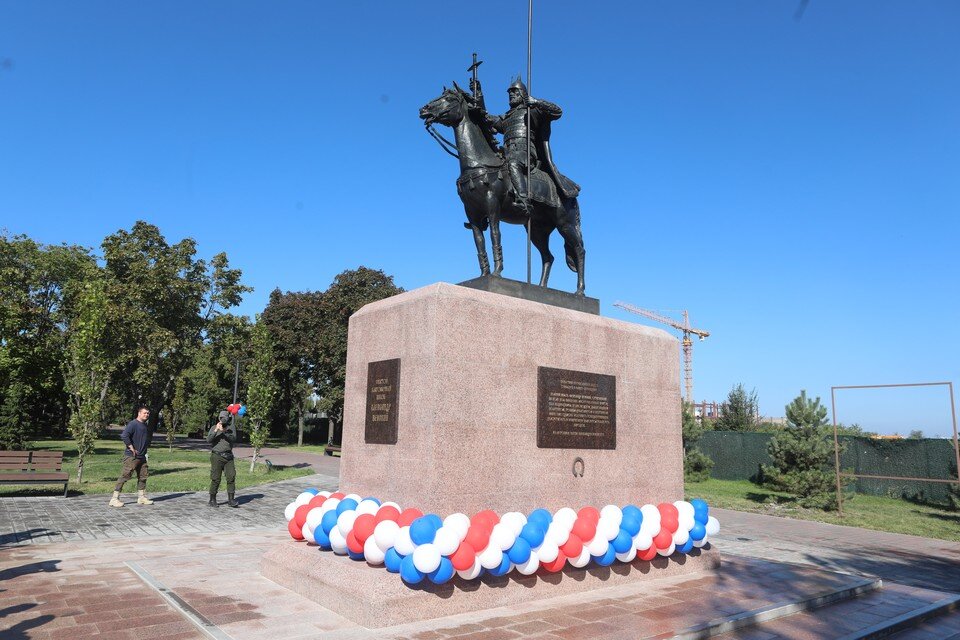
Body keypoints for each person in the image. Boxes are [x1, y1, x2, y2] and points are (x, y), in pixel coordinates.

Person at [471, 76, 580, 211]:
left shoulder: (532, 111)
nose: (511, 94)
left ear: (523, 94)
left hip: (526, 153)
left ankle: (523, 199)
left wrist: (537, 102)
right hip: (507, 152)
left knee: (513, 162)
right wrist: (478, 94)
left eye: (515, 92)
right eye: (510, 92)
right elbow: (486, 119)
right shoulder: (506, 118)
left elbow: (557, 111)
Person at [109, 406, 154, 507]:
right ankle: (114, 499)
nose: (146, 415)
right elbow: (124, 435)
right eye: (144, 413)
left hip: (142, 457)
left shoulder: (145, 425)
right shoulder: (133, 424)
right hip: (132, 457)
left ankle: (141, 497)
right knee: (125, 476)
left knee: (143, 477)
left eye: (148, 413)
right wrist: (131, 448)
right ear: (139, 413)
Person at [207, 410, 238, 507]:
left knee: (231, 477)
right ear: (219, 418)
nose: (223, 420)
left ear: (228, 418)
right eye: (221, 418)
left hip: (228, 456)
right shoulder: (214, 427)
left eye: (224, 418)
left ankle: (231, 500)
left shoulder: (231, 427)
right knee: (216, 478)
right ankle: (212, 500)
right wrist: (216, 430)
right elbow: (209, 440)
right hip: (217, 456)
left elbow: (234, 439)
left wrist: (225, 432)